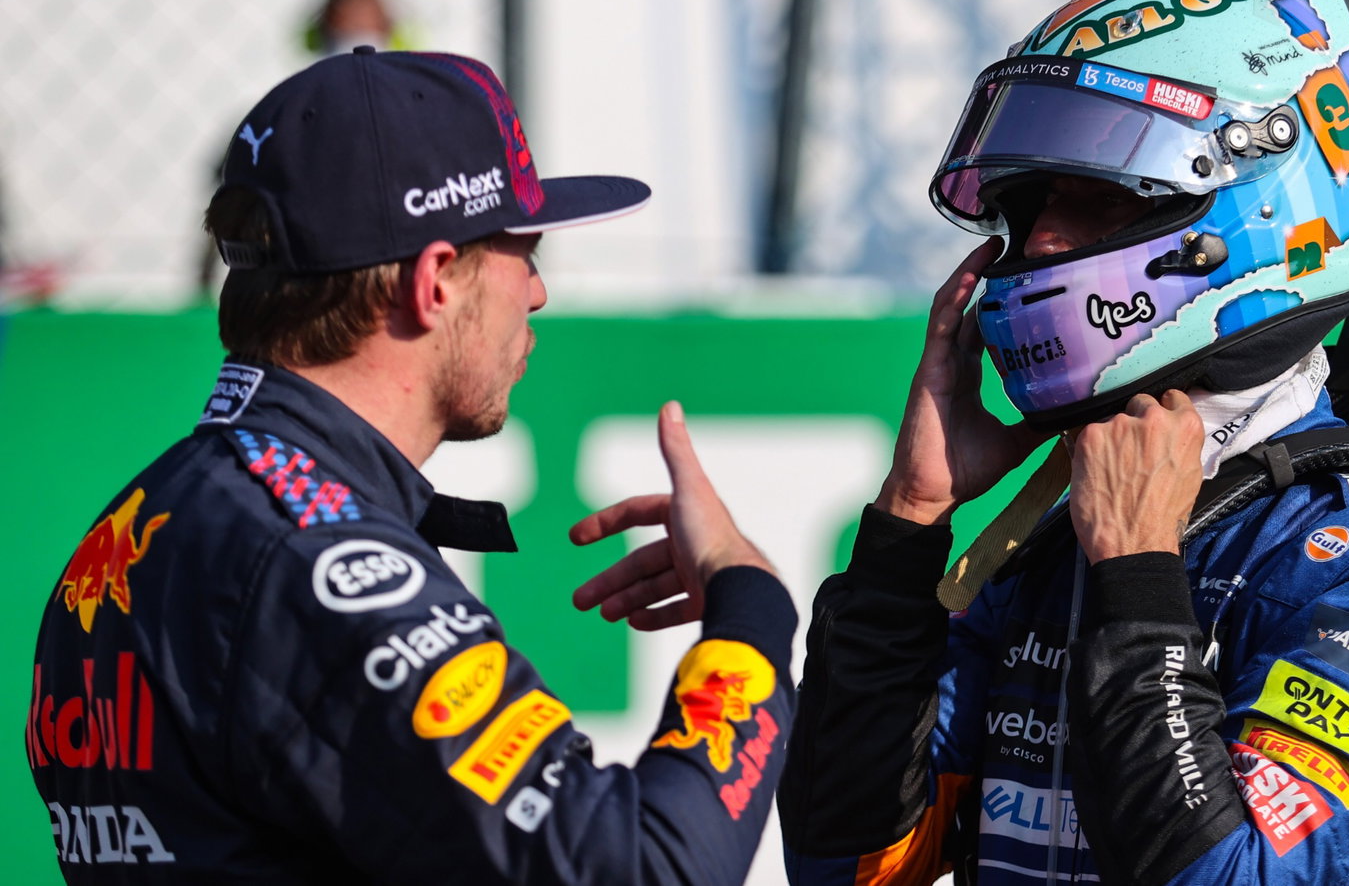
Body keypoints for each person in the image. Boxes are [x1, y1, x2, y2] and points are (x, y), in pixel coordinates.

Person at [776, 0, 1349, 884]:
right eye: (1032, 204)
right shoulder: (1060, 541)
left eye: (1099, 198)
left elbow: (1225, 877)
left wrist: (1139, 580)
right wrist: (909, 526)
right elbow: (845, 862)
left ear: (1259, 202)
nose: (1043, 241)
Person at [28, 48, 796, 884]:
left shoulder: (135, 529)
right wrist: (749, 601)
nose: (537, 292)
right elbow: (644, 869)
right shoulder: (320, 566)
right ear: (433, 282)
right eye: (523, 249)